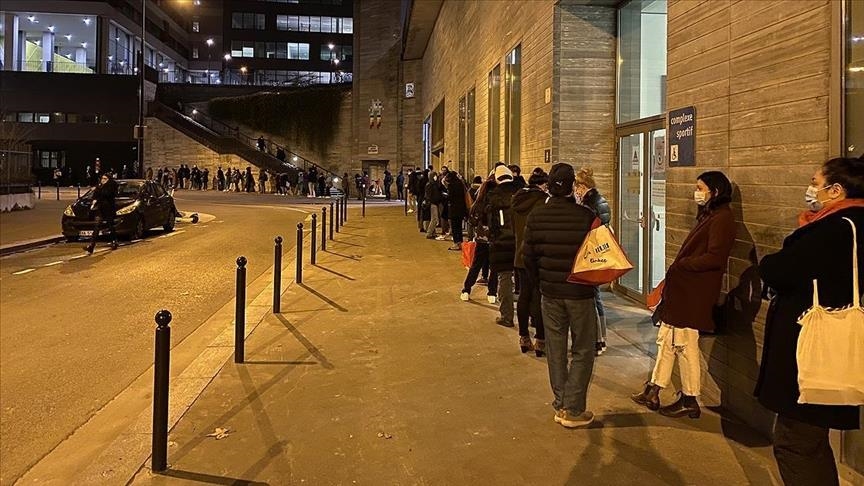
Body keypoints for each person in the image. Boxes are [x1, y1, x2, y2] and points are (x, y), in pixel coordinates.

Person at [755, 156, 864, 486]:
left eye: (815, 183)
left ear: (836, 190)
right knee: (812, 442)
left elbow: (780, 268)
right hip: (832, 345)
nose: (810, 189)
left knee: (795, 443)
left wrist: (770, 263)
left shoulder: (837, 228)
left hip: (814, 347)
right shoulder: (850, 224)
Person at [631, 171, 736, 419]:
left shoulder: (722, 218)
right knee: (667, 339)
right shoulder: (710, 215)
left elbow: (715, 257)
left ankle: (690, 398)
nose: (696, 193)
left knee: (685, 344)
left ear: (715, 191)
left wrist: (683, 265)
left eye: (700, 188)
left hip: (694, 292)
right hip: (684, 290)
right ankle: (654, 389)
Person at [522, 163, 598, 428]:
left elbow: (528, 257)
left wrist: (541, 282)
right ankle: (573, 408)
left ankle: (561, 402)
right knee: (583, 349)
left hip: (551, 293)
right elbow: (598, 255)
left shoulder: (537, 216)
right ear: (572, 187)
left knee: (555, 349)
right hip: (580, 292)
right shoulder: (586, 216)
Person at [575, 167, 612, 356]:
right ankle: (600, 337)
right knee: (595, 296)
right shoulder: (599, 201)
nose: (576, 191)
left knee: (593, 297)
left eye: (577, 187)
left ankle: (598, 339)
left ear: (582, 186)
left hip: (592, 254)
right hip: (596, 253)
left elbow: (595, 230)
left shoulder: (590, 204)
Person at [512, 168, 549, 356]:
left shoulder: (517, 200)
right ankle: (540, 339)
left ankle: (523, 336)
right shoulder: (543, 202)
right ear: (543, 185)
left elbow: (514, 228)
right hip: (537, 256)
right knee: (538, 297)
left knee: (523, 295)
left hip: (520, 255)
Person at [485, 164, 520, 327]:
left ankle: (507, 316)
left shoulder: (494, 195)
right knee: (525, 280)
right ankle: (532, 318)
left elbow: (490, 221)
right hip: (521, 241)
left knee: (504, 278)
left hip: (501, 242)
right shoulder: (521, 193)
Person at [85, 172, 119, 253]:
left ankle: (114, 241)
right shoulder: (100, 186)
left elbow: (107, 194)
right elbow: (95, 195)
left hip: (109, 209)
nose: (103, 180)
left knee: (110, 226)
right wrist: (94, 200)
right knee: (97, 226)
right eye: (102, 178)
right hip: (100, 209)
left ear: (109, 179)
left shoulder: (111, 186)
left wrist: (98, 188)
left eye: (105, 179)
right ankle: (91, 245)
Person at [445, 171, 467, 251]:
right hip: (461, 208)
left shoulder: (452, 185)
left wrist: (445, 195)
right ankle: (460, 243)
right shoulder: (460, 183)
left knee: (454, 227)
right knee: (459, 227)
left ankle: (456, 243)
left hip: (454, 208)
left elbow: (450, 197)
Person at [425, 171, 444, 239]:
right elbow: (429, 196)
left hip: (435, 203)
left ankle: (433, 233)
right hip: (432, 203)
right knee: (434, 219)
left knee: (434, 218)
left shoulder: (434, 184)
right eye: (434, 176)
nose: (436, 177)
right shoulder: (429, 184)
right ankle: (429, 233)